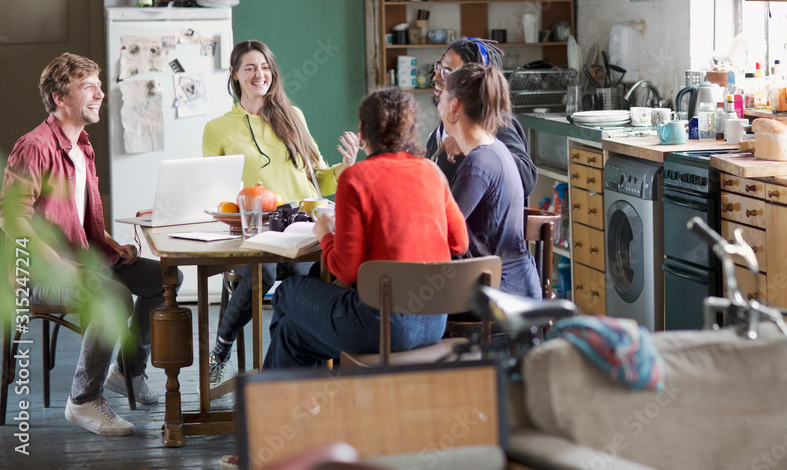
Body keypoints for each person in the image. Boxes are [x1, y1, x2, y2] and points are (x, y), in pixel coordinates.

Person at [0, 53, 171, 436]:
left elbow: (79, 218)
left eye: (99, 84)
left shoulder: (83, 146)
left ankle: (127, 370)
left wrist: (111, 243)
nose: (99, 93)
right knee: (113, 298)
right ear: (60, 97)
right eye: (88, 86)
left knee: (164, 280)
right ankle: (82, 400)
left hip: (86, 258)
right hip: (41, 270)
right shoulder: (34, 145)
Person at [262, 86, 469, 368]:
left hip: (380, 325)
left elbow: (345, 269)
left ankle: (284, 402)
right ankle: (296, 406)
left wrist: (325, 234)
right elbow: (460, 243)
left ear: (362, 130)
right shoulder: (431, 172)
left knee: (287, 290)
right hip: (433, 323)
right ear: (410, 131)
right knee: (290, 334)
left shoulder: (356, 178)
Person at [202, 40, 359, 384]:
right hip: (253, 228)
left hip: (302, 225)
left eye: (266, 67)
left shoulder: (293, 115)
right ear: (234, 74)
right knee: (267, 273)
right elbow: (213, 189)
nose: (260, 74)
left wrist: (346, 165)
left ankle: (298, 370)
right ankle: (221, 349)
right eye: (250, 68)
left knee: (312, 275)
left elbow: (320, 179)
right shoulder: (218, 128)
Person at [438, 63, 542, 298]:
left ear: (454, 106)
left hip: (500, 293)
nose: (439, 105)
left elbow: (442, 232)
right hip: (511, 285)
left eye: (441, 99)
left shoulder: (478, 164)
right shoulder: (494, 149)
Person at [426, 37, 537, 196]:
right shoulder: (447, 125)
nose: (436, 77)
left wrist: (471, 145)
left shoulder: (495, 122)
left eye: (446, 72)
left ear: (473, 81)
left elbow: (526, 179)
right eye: (439, 67)